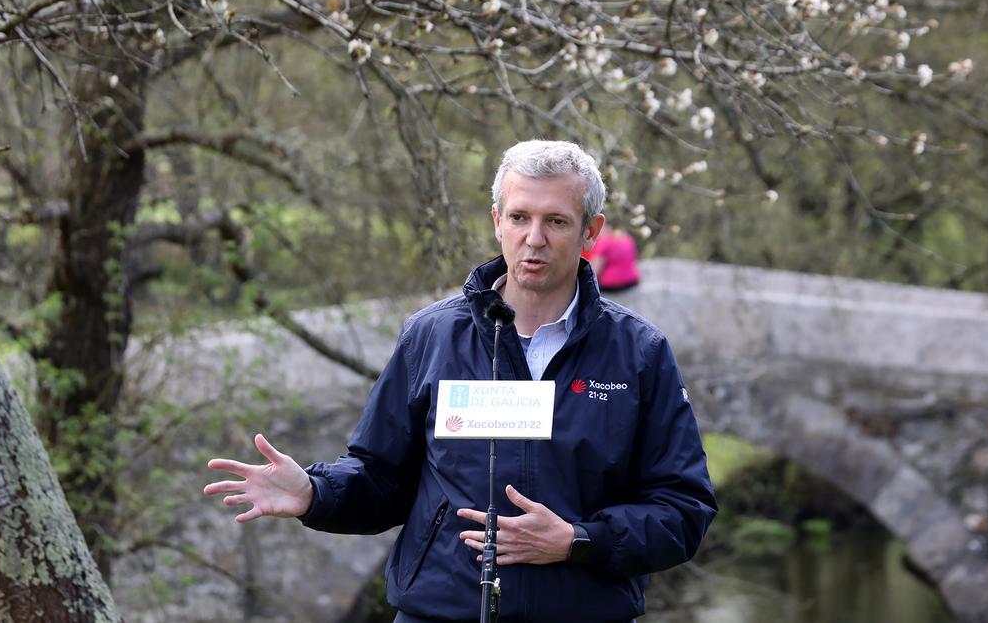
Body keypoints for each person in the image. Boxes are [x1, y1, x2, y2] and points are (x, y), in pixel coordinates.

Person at [204, 140, 717, 622]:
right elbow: (382, 479)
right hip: (440, 611)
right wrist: (315, 492)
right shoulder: (432, 336)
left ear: (591, 231)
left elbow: (683, 510)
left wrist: (576, 540)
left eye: (556, 221)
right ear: (498, 221)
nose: (533, 238)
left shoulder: (638, 352)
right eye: (519, 217)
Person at [587, 223, 640, 293]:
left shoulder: (604, 242)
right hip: (632, 281)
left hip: (612, 285)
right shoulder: (627, 238)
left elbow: (594, 271)